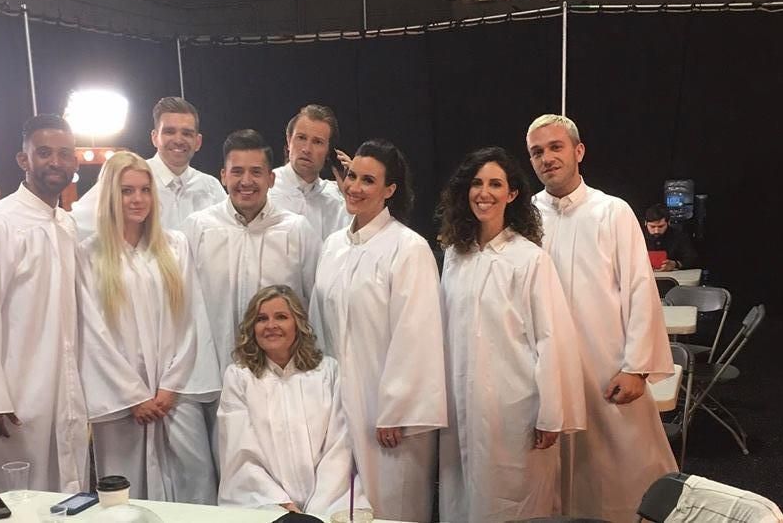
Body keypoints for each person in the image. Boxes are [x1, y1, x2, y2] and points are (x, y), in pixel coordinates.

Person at [525, 114, 677, 522]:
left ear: (578, 151)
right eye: (537, 152)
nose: (547, 158)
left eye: (556, 147)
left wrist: (637, 367)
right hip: (546, 369)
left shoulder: (612, 211)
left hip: (607, 366)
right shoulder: (525, 217)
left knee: (622, 477)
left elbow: (640, 290)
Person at [436, 147, 586, 523]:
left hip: (514, 405)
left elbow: (551, 339)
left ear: (512, 193)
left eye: (495, 184)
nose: (484, 193)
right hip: (461, 400)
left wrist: (550, 413)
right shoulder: (455, 256)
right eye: (477, 183)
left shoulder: (529, 259)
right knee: (462, 497)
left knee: (513, 499)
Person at [0, 115, 89, 498]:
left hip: (62, 385)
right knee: (15, 497)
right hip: (14, 393)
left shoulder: (67, 225)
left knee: (67, 493)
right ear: (24, 159)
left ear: (75, 162)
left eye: (64, 154)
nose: (55, 162)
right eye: (44, 152)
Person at [311, 138, 447, 523]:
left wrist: (396, 410)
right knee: (338, 506)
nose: (354, 187)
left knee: (392, 506)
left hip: (387, 415)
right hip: (339, 405)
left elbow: (417, 335)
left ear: (390, 190)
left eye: (368, 180)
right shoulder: (333, 246)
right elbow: (319, 325)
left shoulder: (408, 248)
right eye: (352, 176)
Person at [76, 151, 221, 503]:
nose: (137, 199)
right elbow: (92, 332)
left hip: (176, 392)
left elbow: (191, 317)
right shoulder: (89, 255)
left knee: (195, 479)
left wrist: (169, 386)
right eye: (127, 191)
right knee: (125, 491)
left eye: (144, 190)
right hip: (121, 400)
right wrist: (133, 396)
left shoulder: (174, 246)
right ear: (110, 195)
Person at [217, 285, 368, 517]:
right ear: (252, 327)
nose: (271, 325)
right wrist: (282, 504)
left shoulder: (327, 371)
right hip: (263, 502)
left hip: (330, 500)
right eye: (261, 319)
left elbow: (339, 445)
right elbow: (240, 452)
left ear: (298, 323)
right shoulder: (239, 377)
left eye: (281, 317)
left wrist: (318, 508)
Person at [181, 129, 321, 376]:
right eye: (237, 172)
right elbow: (181, 304)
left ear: (271, 178)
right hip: (211, 373)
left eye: (256, 172)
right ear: (223, 176)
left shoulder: (297, 230)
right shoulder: (198, 227)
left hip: (280, 378)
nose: (246, 181)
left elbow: (316, 307)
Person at [72, 97, 225, 239]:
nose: (178, 140)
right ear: (154, 137)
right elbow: (74, 225)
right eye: (169, 132)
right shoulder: (127, 178)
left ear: (198, 142)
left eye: (187, 133)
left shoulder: (211, 187)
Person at [268, 104, 351, 240]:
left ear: (328, 151)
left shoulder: (338, 198)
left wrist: (354, 191)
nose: (307, 149)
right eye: (301, 138)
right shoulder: (266, 189)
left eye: (317, 142)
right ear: (289, 141)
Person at [643, 203, 698, 271]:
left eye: (661, 226)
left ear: (668, 223)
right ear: (645, 223)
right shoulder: (638, 236)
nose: (656, 231)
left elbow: (692, 259)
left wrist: (676, 264)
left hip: (674, 275)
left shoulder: (679, 236)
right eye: (652, 226)